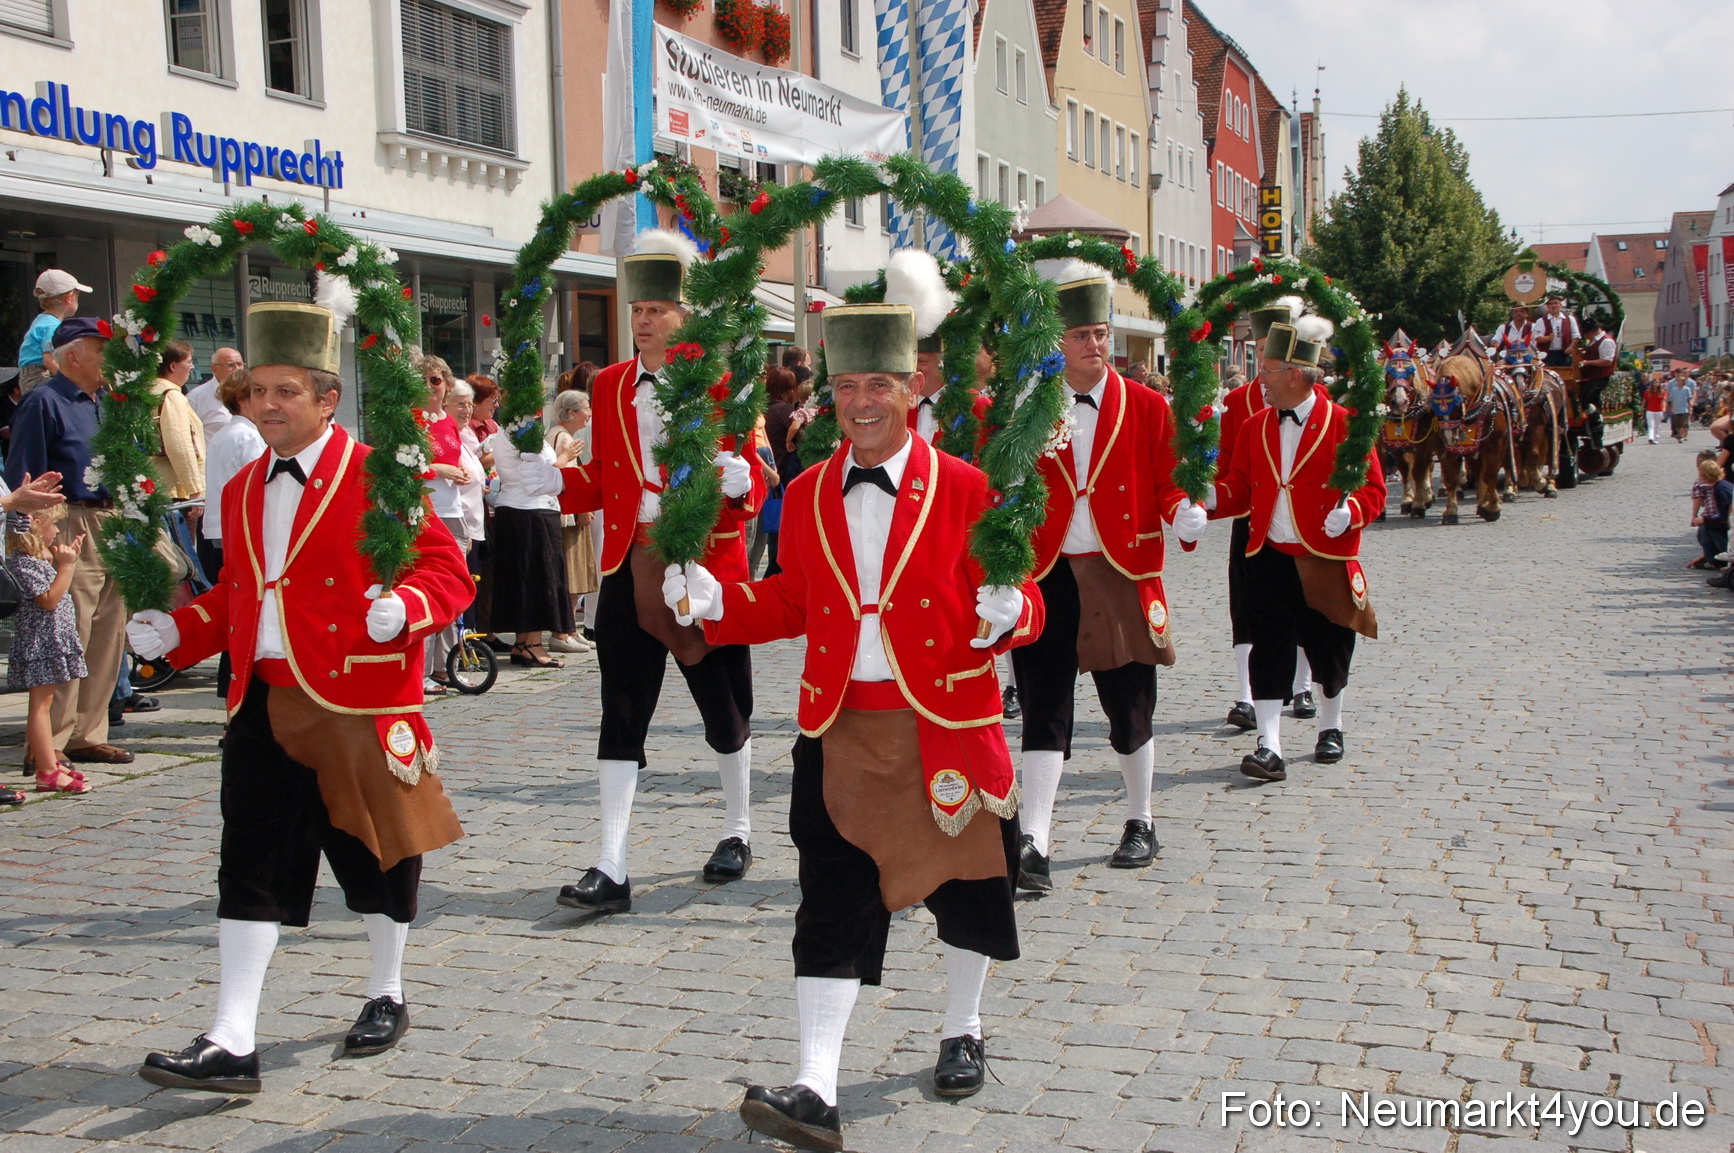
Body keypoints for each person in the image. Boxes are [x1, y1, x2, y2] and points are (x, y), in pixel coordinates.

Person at [661, 300, 1044, 1148]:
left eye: (880, 383)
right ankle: (816, 1085)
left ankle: (962, 1026)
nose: (862, 401)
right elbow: (794, 597)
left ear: (912, 387)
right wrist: (721, 604)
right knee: (829, 900)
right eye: (846, 386)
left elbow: (1025, 597)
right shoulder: (802, 492)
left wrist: (1014, 605)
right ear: (827, 395)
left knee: (969, 887)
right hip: (838, 729)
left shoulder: (971, 487)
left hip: (943, 721)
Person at [125, 299, 472, 1094]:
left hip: (356, 697)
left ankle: (387, 989)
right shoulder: (244, 487)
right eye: (257, 392)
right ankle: (231, 1036)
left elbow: (445, 571)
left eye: (287, 390)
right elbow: (243, 597)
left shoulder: (379, 475)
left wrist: (408, 607)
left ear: (326, 397)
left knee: (379, 851)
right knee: (245, 861)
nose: (268, 404)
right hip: (261, 700)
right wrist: (176, 632)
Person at [515, 230, 764, 909]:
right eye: (638, 308)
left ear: (686, 314)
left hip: (704, 561)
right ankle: (611, 862)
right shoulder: (613, 382)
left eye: (659, 307)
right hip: (629, 561)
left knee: (723, 702)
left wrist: (741, 483)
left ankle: (738, 827)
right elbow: (604, 480)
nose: (645, 319)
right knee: (621, 710)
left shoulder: (722, 380)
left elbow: (751, 483)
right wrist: (553, 480)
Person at [1010, 260, 1203, 889]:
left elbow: (1168, 478)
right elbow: (1006, 488)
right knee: (1044, 703)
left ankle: (1140, 818)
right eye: (1082, 335)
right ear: (1056, 345)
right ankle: (1033, 839)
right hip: (1050, 572)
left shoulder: (1146, 405)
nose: (1096, 345)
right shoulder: (1032, 408)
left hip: (1122, 569)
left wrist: (1183, 511)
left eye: (1101, 332)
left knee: (1129, 705)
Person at [1185, 315, 1385, 783]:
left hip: (1324, 554)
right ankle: (1269, 745)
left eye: (1267, 370)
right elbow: (1239, 485)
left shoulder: (1345, 425)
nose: (1261, 380)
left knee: (1330, 643)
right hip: (1268, 553)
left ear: (1294, 375)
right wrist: (1211, 500)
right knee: (1268, 647)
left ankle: (1330, 726)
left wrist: (1351, 511)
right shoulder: (1255, 426)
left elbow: (1373, 488)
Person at [4, 317, 132, 768]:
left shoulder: (105, 402)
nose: (110, 358)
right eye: (102, 350)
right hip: (68, 520)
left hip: (113, 520)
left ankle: (87, 732)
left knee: (108, 631)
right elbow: (22, 475)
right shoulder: (44, 401)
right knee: (69, 632)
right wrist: (37, 539)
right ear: (72, 356)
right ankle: (48, 745)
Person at [1219, 297, 1317, 733]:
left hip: (1302, 519)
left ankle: (1304, 683)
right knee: (1247, 604)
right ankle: (1246, 694)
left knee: (1309, 602)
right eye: (1257, 348)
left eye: (1270, 350)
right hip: (1252, 516)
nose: (1262, 358)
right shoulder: (1239, 399)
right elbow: (1228, 466)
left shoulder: (1314, 396)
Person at [7, 504, 89, 796]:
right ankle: (46, 770)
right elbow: (49, 599)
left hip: (51, 640)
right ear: (38, 524)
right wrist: (67, 567)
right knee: (40, 708)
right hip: (39, 643)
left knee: (47, 704)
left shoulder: (39, 558)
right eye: (54, 526)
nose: (57, 531)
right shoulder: (24, 562)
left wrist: (68, 558)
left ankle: (49, 761)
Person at [487, 405, 577, 669]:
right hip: (531, 509)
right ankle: (533, 644)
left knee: (526, 576)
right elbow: (543, 473)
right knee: (538, 576)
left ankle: (523, 642)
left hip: (523, 508)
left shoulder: (509, 431)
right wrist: (564, 455)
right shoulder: (520, 432)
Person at [199, 368, 266, 697]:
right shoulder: (248, 436)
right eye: (259, 394)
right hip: (236, 531)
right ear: (242, 400)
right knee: (245, 612)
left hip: (217, 529)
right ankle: (236, 689)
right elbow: (259, 488)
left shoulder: (227, 434)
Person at [413, 355, 478, 689]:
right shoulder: (413, 419)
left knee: (455, 588)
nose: (430, 388)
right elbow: (401, 464)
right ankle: (421, 671)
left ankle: (446, 665)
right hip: (425, 511)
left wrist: (460, 473)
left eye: (436, 381)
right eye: (423, 380)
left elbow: (453, 459)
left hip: (453, 511)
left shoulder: (447, 421)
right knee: (427, 587)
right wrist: (438, 470)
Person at [545, 388, 597, 654]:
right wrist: (581, 508)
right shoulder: (562, 437)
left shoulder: (563, 435)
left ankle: (570, 630)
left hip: (572, 512)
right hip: (568, 515)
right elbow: (560, 475)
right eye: (586, 407)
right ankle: (563, 631)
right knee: (573, 569)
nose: (589, 412)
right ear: (572, 412)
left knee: (577, 568)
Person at [150, 341, 209, 503]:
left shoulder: (148, 390)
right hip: (174, 489)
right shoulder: (170, 395)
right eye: (189, 362)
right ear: (173, 366)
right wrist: (195, 489)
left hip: (151, 484)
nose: (191, 367)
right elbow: (179, 443)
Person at [17, 269, 90, 394]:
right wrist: (71, 381)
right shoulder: (52, 326)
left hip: (30, 377)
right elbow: (50, 359)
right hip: (40, 376)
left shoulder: (42, 321)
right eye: (77, 297)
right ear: (69, 298)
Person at [186, 347, 245, 444]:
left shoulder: (252, 393)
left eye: (240, 364)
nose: (237, 369)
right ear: (214, 368)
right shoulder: (196, 397)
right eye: (230, 365)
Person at [1689, 457, 1730, 570]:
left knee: (1705, 528)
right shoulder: (1722, 485)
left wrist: (1704, 520)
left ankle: (1715, 560)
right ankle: (1712, 558)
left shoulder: (1719, 489)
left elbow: (1724, 519)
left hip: (1729, 532)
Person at [1533, 294, 1579, 368]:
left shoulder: (1570, 319)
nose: (1554, 306)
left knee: (1565, 375)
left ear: (1560, 306)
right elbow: (1538, 338)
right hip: (1548, 355)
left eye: (1556, 303)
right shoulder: (1541, 321)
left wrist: (1571, 347)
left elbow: (1576, 336)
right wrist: (1548, 338)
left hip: (1564, 354)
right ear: (1547, 307)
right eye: (1551, 304)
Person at [1668, 365, 1696, 443]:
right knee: (1677, 423)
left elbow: (1690, 397)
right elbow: (1671, 398)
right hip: (1676, 407)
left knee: (1684, 422)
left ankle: (1683, 435)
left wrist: (1691, 407)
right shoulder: (1674, 389)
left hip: (1684, 408)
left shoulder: (1687, 388)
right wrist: (1671, 407)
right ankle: (1679, 434)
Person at [1645, 375, 1668, 444]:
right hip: (1650, 410)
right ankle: (1650, 438)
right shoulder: (1647, 391)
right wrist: (1641, 408)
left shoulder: (1662, 392)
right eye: (1655, 382)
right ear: (1652, 383)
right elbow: (1645, 400)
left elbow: (1663, 401)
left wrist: (1664, 408)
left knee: (1657, 425)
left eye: (1658, 382)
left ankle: (1656, 439)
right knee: (1651, 425)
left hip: (1658, 410)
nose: (1656, 384)